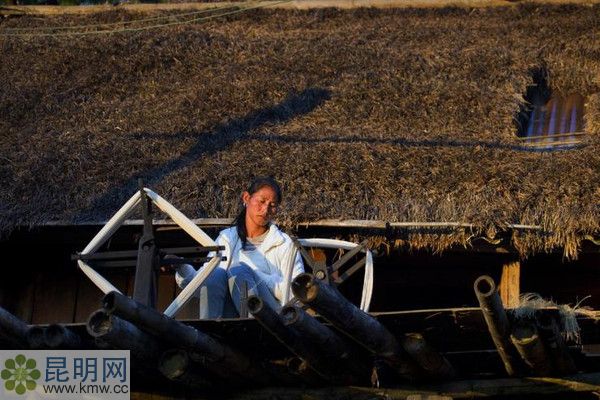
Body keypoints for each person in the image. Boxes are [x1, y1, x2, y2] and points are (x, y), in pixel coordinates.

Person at [174, 176, 305, 319]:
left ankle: (249, 326)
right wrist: (182, 268)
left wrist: (253, 274)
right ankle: (211, 327)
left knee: (239, 271)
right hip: (230, 315)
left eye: (272, 205)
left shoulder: (283, 244)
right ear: (246, 198)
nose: (266, 209)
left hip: (269, 317)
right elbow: (202, 285)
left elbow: (297, 293)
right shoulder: (226, 239)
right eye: (261, 201)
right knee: (214, 274)